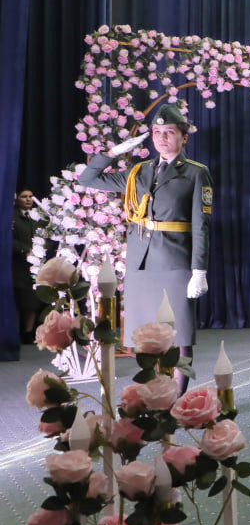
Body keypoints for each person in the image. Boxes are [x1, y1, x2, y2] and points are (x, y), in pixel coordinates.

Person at [77, 104, 211, 390]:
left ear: (184, 137)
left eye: (169, 132)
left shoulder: (195, 173)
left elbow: (201, 225)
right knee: (146, 336)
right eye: (157, 132)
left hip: (175, 261)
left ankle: (175, 399)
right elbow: (87, 178)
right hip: (141, 262)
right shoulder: (138, 171)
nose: (161, 138)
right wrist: (113, 152)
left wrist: (199, 271)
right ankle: (154, 394)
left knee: (179, 336)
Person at [11, 188, 46, 344]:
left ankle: (28, 331)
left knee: (32, 299)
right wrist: (24, 250)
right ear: (16, 198)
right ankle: (16, 331)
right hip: (17, 264)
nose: (28, 199)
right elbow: (8, 239)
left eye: (31, 196)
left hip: (36, 265)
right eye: (24, 196)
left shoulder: (38, 216)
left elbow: (46, 236)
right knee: (18, 299)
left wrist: (41, 251)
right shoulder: (11, 217)